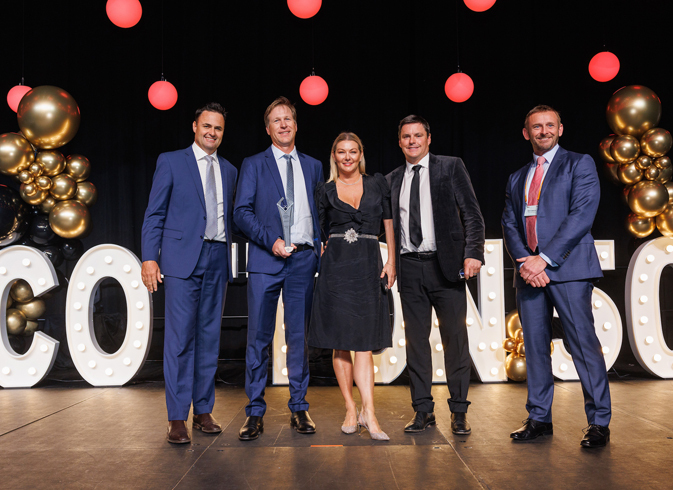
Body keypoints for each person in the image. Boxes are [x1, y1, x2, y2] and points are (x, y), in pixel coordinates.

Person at [502, 105, 611, 448]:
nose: (544, 131)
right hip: (529, 275)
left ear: (560, 129)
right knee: (534, 348)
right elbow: (509, 222)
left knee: (583, 345)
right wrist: (525, 261)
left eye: (550, 125)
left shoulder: (580, 163)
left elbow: (582, 216)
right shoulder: (517, 177)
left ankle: (599, 423)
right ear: (526, 133)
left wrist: (544, 260)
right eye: (537, 126)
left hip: (568, 271)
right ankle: (539, 418)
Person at [141, 102, 237, 444]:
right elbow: (154, 214)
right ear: (195, 127)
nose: (212, 132)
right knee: (180, 340)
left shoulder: (229, 169)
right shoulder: (171, 161)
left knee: (209, 338)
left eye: (219, 128)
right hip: (181, 261)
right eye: (207, 126)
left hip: (216, 258)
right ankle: (177, 417)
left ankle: (204, 411)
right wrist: (149, 258)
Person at [386, 115, 485, 435]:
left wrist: (473, 253)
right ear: (399, 142)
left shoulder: (450, 166)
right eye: (406, 136)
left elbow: (472, 214)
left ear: (429, 139)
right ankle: (423, 411)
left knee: (455, 340)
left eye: (417, 135)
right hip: (409, 267)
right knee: (416, 343)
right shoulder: (391, 180)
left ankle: (459, 411)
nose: (412, 141)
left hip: (447, 265)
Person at [234, 96, 323, 441]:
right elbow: (241, 212)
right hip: (265, 259)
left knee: (298, 337)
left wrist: (320, 243)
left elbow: (320, 212)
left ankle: (299, 407)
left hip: (303, 261)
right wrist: (270, 240)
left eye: (288, 119)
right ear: (268, 129)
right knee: (258, 338)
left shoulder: (314, 165)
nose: (283, 124)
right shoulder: (254, 164)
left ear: (296, 125)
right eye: (276, 120)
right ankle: (255, 412)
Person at [308, 132, 396, 440]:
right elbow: (318, 230)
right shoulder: (324, 190)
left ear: (360, 154)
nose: (347, 156)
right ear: (334, 156)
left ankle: (368, 412)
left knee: (364, 343)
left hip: (368, 267)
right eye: (341, 152)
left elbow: (388, 223)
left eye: (352, 151)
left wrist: (392, 261)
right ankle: (350, 407)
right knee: (340, 341)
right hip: (336, 270)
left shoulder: (377, 184)